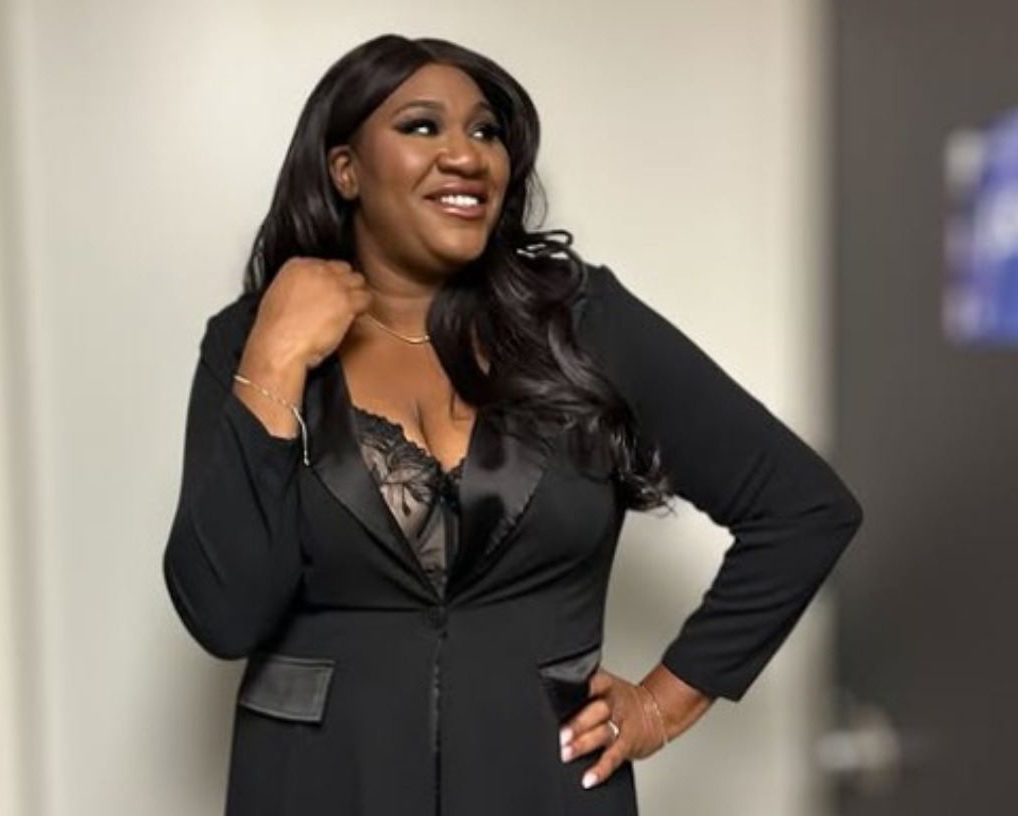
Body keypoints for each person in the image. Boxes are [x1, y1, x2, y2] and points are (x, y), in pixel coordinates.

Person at [162, 33, 862, 816]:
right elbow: (221, 614)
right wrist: (277, 356)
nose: (466, 154)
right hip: (318, 790)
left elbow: (803, 508)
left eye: (486, 131)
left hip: (544, 789)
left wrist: (663, 704)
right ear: (345, 169)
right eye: (422, 126)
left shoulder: (581, 322)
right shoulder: (250, 340)